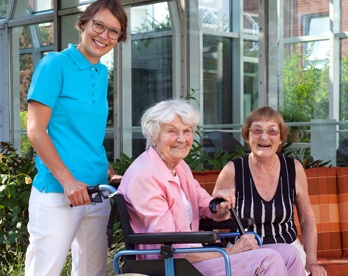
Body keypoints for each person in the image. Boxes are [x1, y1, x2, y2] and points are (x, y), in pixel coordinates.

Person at [118, 99, 306, 275]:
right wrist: (230, 251)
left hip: (194, 255)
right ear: (153, 135)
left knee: (289, 253)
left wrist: (219, 205)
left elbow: (205, 204)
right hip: (172, 264)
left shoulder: (179, 167)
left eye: (187, 131)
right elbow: (170, 244)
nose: (181, 139)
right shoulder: (145, 176)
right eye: (172, 131)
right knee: (268, 259)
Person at [25, 1, 127, 275]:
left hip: (97, 191)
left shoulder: (101, 72)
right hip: (58, 192)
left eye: (113, 32)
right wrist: (67, 180)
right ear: (84, 24)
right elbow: (35, 130)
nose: (104, 36)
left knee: (92, 272)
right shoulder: (54, 65)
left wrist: (106, 168)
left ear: (119, 38)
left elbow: (86, 131)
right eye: (99, 25)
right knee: (44, 270)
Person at [214, 106, 327, 276]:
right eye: (257, 130)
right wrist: (221, 211)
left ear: (281, 138)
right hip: (245, 250)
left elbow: (306, 218)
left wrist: (312, 261)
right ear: (247, 136)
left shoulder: (293, 169)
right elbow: (212, 216)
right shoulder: (232, 170)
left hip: (288, 246)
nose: (264, 136)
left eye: (272, 131)